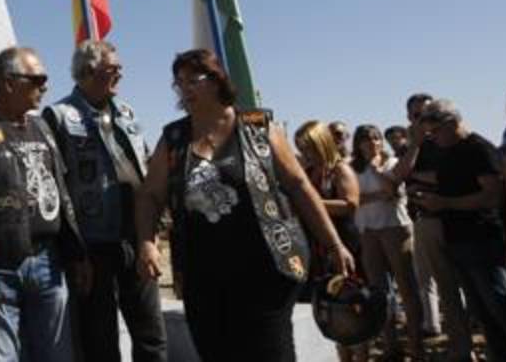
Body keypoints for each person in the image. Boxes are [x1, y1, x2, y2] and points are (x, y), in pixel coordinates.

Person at [134, 49, 355, 362]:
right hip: (203, 272)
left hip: (267, 266)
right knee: (216, 352)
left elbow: (298, 186)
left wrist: (333, 242)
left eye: (192, 80)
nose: (184, 89)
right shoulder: (174, 137)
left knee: (270, 351)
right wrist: (146, 242)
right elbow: (150, 195)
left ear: (216, 80)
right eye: (178, 82)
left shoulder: (258, 125)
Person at [0, 46, 87, 362]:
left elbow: (60, 193)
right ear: (9, 82)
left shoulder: (44, 128)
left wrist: (76, 253)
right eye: (37, 79)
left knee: (57, 355)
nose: (45, 86)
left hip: (48, 263)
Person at [42, 40, 167, 362]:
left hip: (135, 233)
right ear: (88, 71)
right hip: (91, 241)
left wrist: (153, 231)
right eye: (113, 69)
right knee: (98, 338)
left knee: (150, 331)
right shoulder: (58, 116)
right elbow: (55, 187)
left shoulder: (127, 112)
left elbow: (147, 166)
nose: (120, 75)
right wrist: (73, 251)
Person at [397, 98, 506, 362]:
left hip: (482, 241)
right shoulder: (446, 150)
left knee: (500, 307)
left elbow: (492, 196)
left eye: (435, 131)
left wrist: (446, 203)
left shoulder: (479, 149)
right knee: (482, 313)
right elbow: (447, 181)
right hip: (458, 240)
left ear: (452, 123)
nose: (432, 137)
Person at [400, 93, 469, 359]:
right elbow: (400, 175)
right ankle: (461, 349)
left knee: (471, 288)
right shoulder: (416, 146)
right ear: (409, 118)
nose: (425, 122)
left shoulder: (451, 142)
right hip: (426, 221)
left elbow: (453, 176)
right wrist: (414, 147)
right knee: (447, 292)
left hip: (459, 222)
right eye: (418, 116)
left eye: (430, 115)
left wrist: (419, 177)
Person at [294, 121, 365, 362]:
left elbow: (350, 204)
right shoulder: (308, 172)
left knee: (349, 306)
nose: (305, 153)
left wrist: (310, 204)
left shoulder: (340, 170)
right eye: (301, 148)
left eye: (308, 147)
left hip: (342, 244)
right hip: (316, 249)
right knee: (327, 310)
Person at [352, 124, 424, 360]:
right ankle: (391, 346)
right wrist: (375, 196)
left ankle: (416, 346)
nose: (372, 143)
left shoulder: (392, 163)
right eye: (366, 139)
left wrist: (375, 169)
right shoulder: (352, 169)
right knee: (379, 290)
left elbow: (392, 190)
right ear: (358, 143)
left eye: (376, 138)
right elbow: (353, 199)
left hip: (395, 227)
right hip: (368, 231)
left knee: (406, 287)